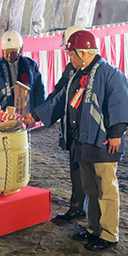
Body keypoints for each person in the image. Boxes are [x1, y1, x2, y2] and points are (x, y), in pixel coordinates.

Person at [22, 30, 128, 251]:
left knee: (106, 189)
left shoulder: (111, 74)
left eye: (71, 53)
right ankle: (93, 229)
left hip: (102, 143)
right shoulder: (76, 74)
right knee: (91, 190)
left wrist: (116, 134)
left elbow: (120, 104)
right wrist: (35, 115)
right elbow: (59, 100)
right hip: (82, 142)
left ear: (83, 52)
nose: (69, 58)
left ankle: (110, 235)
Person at [50, 25, 87, 220]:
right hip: (73, 127)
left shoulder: (94, 72)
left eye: (70, 52)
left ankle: (81, 208)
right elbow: (59, 92)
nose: (68, 56)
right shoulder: (72, 68)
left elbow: (59, 95)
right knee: (75, 168)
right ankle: (77, 206)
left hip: (85, 130)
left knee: (85, 171)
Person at [0, 30, 45, 112]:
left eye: (13, 52)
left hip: (27, 114)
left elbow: (39, 91)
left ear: (20, 49)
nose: (9, 55)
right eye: (6, 52)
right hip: (3, 116)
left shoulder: (30, 65)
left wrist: (37, 115)